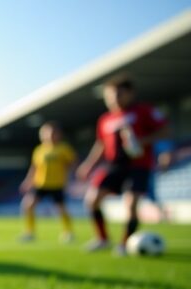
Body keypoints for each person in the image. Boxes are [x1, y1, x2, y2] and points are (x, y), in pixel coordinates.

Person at [76, 73, 169, 255]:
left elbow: (164, 131)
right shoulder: (105, 119)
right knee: (92, 200)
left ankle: (125, 244)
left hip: (139, 165)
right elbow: (101, 145)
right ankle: (102, 239)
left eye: (119, 94)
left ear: (130, 93)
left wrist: (142, 141)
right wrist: (88, 165)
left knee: (131, 204)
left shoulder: (144, 111)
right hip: (114, 166)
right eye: (109, 97)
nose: (114, 100)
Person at [18, 122, 77, 243]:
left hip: (57, 184)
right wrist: (28, 180)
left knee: (61, 210)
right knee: (28, 206)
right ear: (42, 135)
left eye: (53, 133)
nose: (50, 135)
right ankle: (30, 232)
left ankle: (68, 232)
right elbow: (34, 167)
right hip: (40, 184)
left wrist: (72, 179)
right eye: (46, 133)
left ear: (58, 134)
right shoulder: (39, 150)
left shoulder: (64, 149)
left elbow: (73, 164)